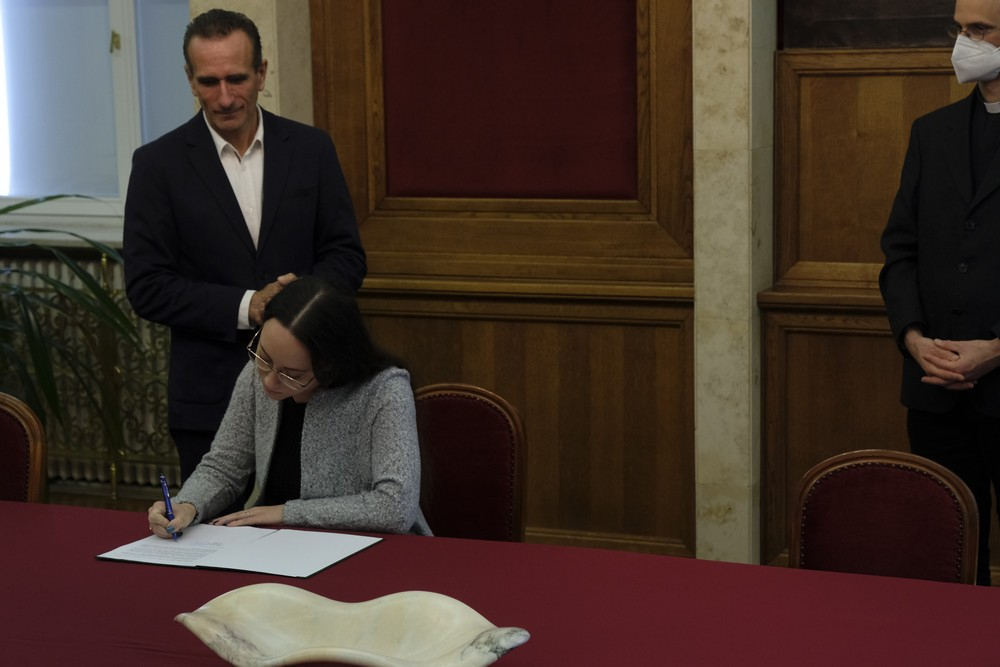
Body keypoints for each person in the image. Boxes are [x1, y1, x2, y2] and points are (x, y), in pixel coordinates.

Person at [123, 9, 366, 488]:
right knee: (213, 530)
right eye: (208, 82)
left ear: (261, 73)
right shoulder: (157, 165)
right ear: (190, 79)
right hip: (209, 398)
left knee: (310, 527)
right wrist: (249, 306)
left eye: (236, 78)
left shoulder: (311, 149)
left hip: (312, 389)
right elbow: (147, 285)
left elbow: (346, 256)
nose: (224, 97)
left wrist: (299, 304)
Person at [147, 276, 431, 536]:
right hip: (275, 544)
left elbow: (395, 507)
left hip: (368, 547)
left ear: (331, 366)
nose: (269, 381)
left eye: (291, 375)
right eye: (264, 358)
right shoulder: (256, 373)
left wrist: (285, 513)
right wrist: (188, 505)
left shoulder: (384, 389)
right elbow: (224, 467)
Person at [879, 0, 1000, 586]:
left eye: (979, 30)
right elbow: (900, 250)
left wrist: (997, 348)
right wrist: (914, 339)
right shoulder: (932, 131)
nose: (962, 42)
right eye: (959, 28)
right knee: (947, 565)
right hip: (936, 393)